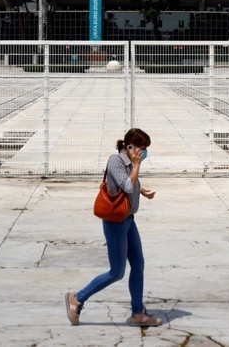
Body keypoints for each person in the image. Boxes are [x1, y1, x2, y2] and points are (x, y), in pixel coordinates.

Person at [66, 128, 160, 327]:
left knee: (139, 265)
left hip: (129, 220)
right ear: (129, 147)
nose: (143, 153)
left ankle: (137, 312)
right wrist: (136, 165)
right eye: (141, 149)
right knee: (116, 272)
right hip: (116, 223)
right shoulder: (115, 161)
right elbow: (126, 186)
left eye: (145, 150)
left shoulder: (131, 163)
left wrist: (141, 191)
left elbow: (130, 184)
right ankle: (77, 298)